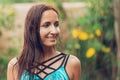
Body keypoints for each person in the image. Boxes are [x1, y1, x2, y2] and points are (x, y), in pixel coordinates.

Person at [7, 4, 81, 80]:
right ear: (33, 29)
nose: (54, 31)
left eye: (56, 25)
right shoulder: (15, 66)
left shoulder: (71, 64)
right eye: (46, 25)